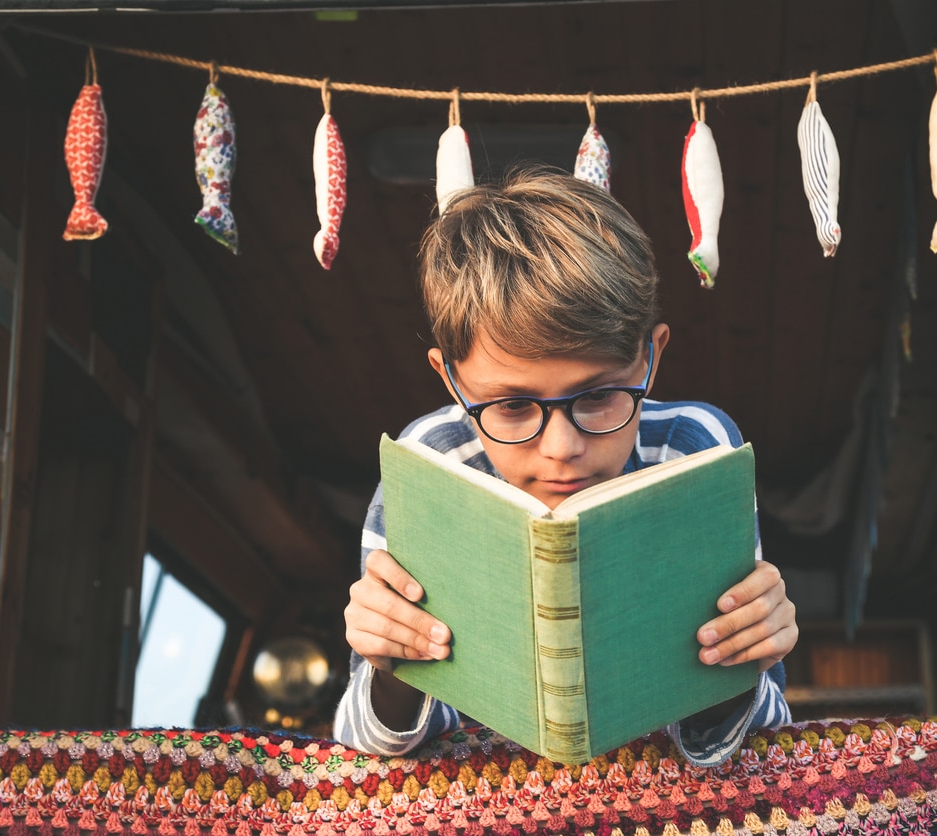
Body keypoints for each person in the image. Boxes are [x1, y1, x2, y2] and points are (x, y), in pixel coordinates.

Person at [334, 167, 797, 767]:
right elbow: (360, 746)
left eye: (598, 397)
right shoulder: (430, 464)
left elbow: (764, 742)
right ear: (450, 378)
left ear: (650, 358)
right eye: (511, 406)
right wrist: (387, 663)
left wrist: (745, 654)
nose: (561, 448)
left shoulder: (695, 451)